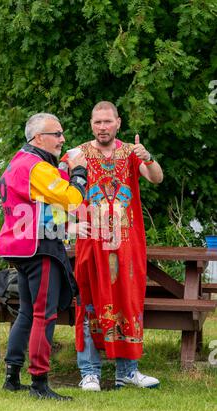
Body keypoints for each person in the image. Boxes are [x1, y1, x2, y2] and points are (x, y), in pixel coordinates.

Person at [68, 101, 163, 391]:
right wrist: (69, 224)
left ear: (118, 123)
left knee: (128, 303)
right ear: (91, 124)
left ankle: (128, 371)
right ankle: (90, 372)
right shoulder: (76, 155)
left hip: (127, 243)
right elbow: (61, 193)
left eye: (107, 121)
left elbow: (157, 178)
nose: (103, 127)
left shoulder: (131, 153)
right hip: (91, 243)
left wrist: (148, 158)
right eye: (98, 122)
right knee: (89, 304)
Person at [0, 112, 87, 401]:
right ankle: (39, 383)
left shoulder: (19, 161)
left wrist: (64, 169)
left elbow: (49, 188)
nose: (62, 139)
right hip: (41, 247)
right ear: (39, 138)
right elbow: (71, 199)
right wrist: (80, 173)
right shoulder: (37, 167)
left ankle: (12, 377)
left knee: (26, 311)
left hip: (20, 247)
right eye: (57, 134)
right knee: (44, 314)